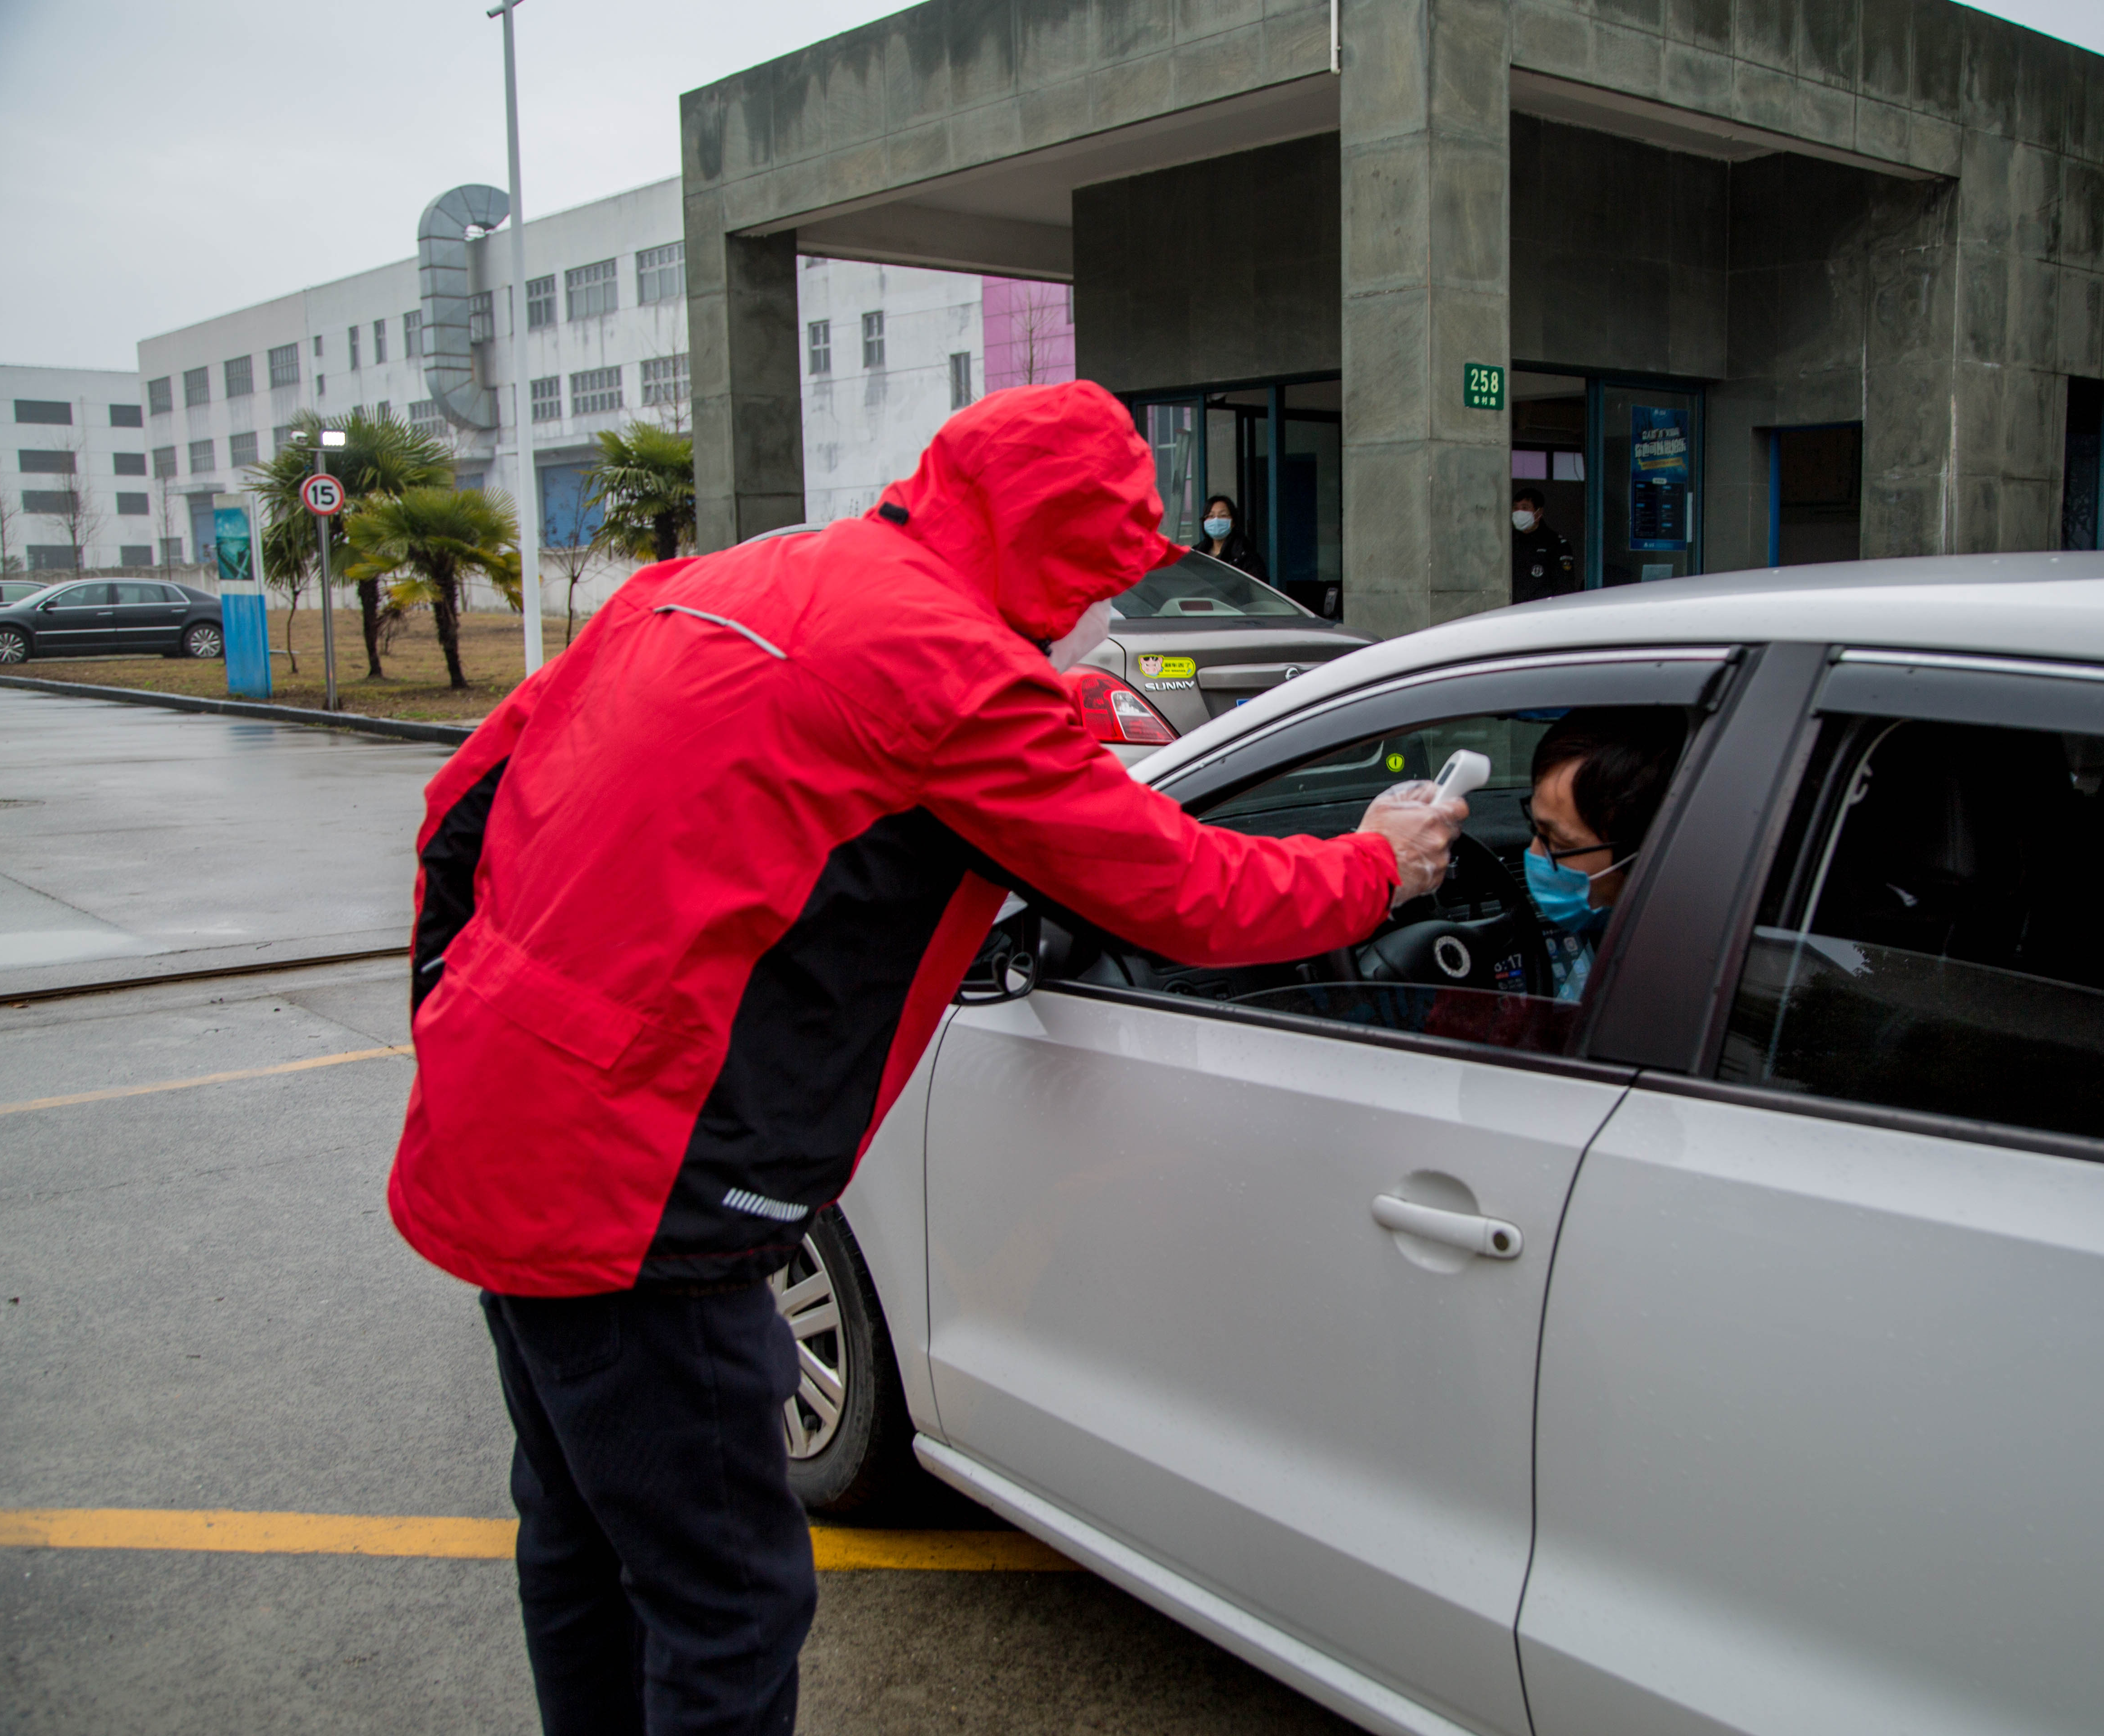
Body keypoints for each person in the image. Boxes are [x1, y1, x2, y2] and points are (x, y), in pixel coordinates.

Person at [388, 381, 1466, 1736]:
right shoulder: (954, 675)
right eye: (1101, 572)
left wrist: (457, 1015)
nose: (1089, 610)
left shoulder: (729, 574)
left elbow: (463, 805)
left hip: (498, 1107)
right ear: (1070, 545)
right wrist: (1379, 863)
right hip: (646, 1197)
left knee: (583, 1532)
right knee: (727, 1600)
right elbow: (1187, 892)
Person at [1522, 709, 1683, 1001]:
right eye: (1536, 828)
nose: (1533, 853)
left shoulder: (1666, 988)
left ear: (1645, 854)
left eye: (1559, 843)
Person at [1511, 488, 1578, 605]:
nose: (1519, 512)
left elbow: (1564, 587)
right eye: (1516, 508)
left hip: (1541, 612)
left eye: (1525, 508)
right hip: (1512, 612)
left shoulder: (1555, 544)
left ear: (1539, 512)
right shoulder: (1508, 541)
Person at [1187, 493, 1265, 578]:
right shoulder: (1196, 553)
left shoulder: (1244, 555)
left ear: (1233, 522)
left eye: (1223, 515)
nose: (1216, 520)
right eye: (1211, 516)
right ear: (1204, 521)